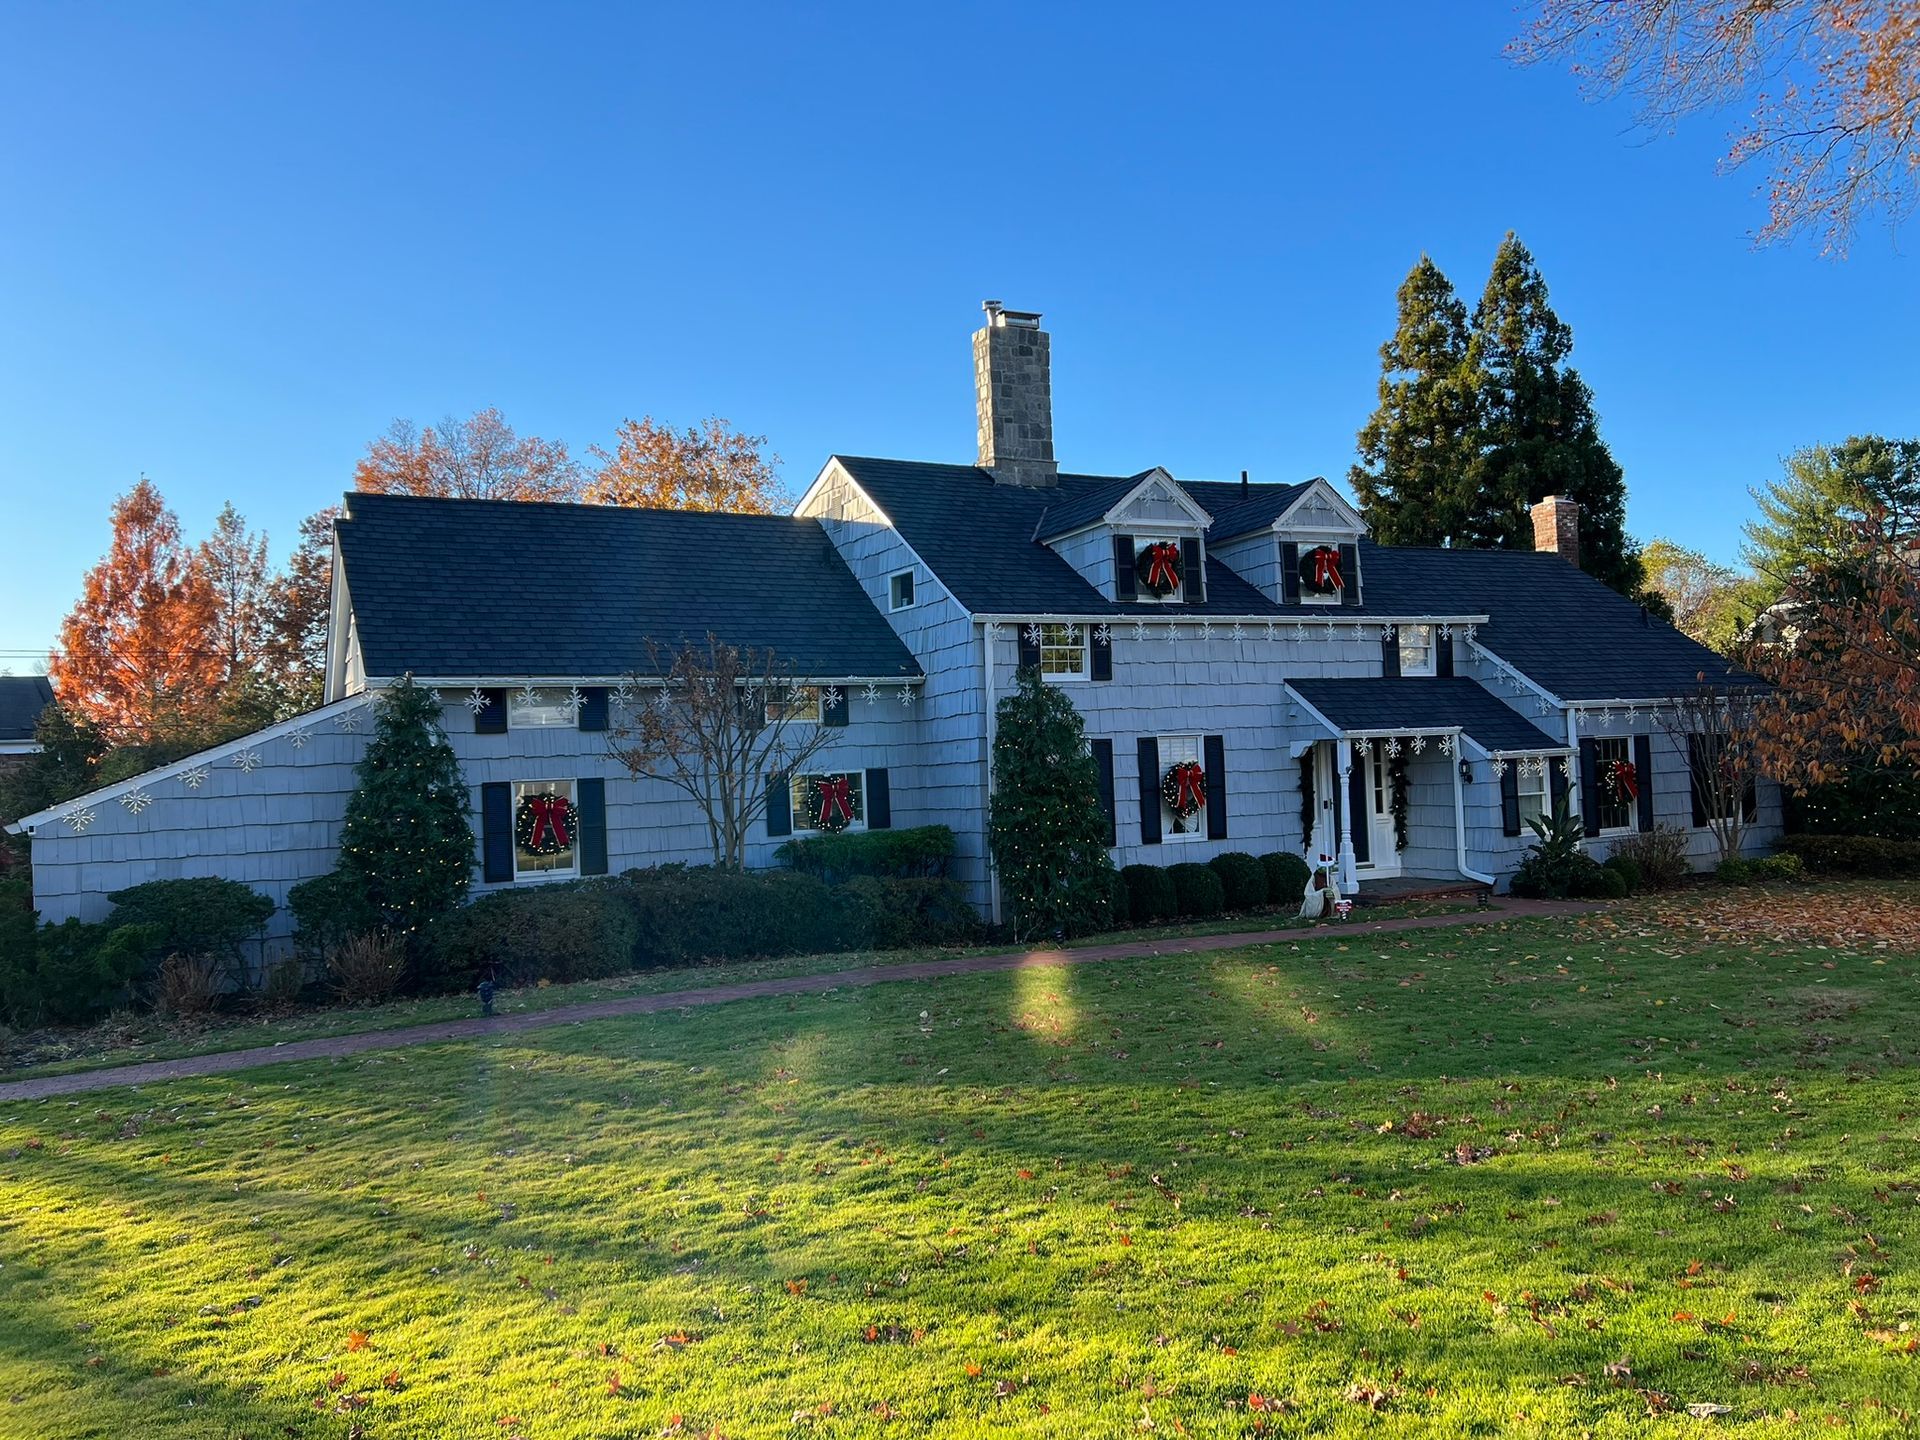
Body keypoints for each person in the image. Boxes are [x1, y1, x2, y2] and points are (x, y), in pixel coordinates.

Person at [1298, 855, 1341, 919]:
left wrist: (1332, 892)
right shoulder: (1314, 878)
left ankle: (1330, 913)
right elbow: (1308, 893)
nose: (1331, 870)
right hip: (1319, 900)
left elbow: (1335, 889)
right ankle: (1320, 913)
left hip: (1328, 901)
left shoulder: (1330, 878)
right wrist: (1322, 891)